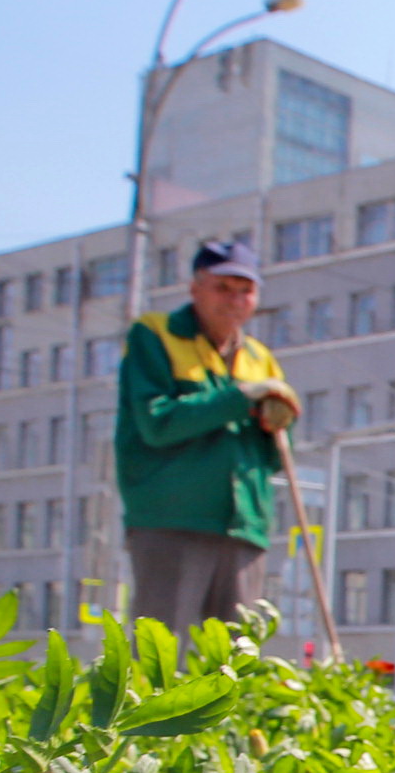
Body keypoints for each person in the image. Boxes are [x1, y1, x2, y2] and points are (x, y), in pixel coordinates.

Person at [116, 237, 298, 644]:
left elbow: (273, 458)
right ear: (195, 287)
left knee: (233, 665)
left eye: (245, 290)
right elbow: (157, 423)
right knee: (160, 655)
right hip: (171, 522)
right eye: (222, 288)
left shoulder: (260, 359)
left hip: (243, 527)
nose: (235, 300)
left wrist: (279, 421)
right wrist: (241, 397)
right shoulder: (156, 335)